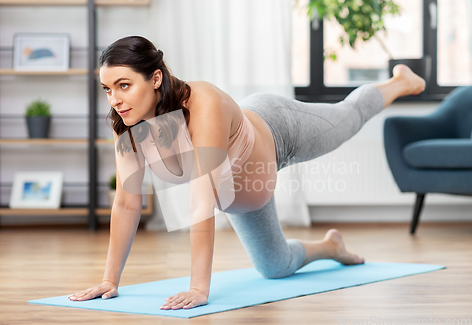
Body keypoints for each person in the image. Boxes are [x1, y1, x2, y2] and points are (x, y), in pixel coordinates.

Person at [68, 36, 426, 310]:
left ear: (156, 78)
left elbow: (202, 200)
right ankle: (332, 246)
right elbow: (127, 205)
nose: (115, 99)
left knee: (348, 118)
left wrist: (199, 288)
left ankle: (400, 81)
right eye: (108, 89)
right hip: (247, 194)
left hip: (279, 128)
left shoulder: (200, 103)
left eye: (124, 85)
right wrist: (109, 280)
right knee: (275, 267)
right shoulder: (126, 126)